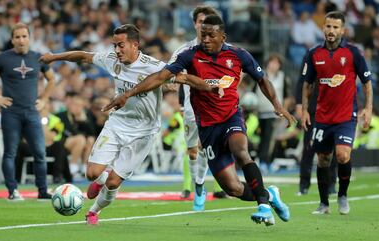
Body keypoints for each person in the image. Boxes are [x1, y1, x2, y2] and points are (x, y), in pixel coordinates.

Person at [105, 15, 294, 226]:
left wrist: (277, 105)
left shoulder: (238, 55)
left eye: (211, 35)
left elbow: (262, 79)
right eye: (203, 34)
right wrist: (128, 94)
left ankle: (264, 206)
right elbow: (160, 76)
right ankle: (269, 195)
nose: (205, 39)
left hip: (231, 116)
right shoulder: (190, 56)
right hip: (207, 128)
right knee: (232, 188)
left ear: (222, 36)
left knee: (241, 150)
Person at [39, 24, 217, 225]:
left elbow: (184, 78)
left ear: (135, 45)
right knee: (92, 173)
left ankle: (93, 211)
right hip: (117, 124)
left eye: (121, 45)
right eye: (115, 45)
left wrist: (210, 86)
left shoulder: (155, 67)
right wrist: (54, 57)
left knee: (114, 182)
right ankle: (102, 178)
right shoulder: (112, 61)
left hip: (144, 132)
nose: (116, 50)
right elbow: (82, 56)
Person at [301, 11, 373, 215]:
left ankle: (342, 195)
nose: (331, 31)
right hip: (323, 117)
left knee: (342, 155)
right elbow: (307, 84)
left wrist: (367, 108)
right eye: (328, 26)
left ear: (343, 30)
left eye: (335, 27)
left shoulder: (353, 53)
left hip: (345, 116)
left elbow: (367, 83)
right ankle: (324, 204)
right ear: (323, 28)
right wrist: (305, 110)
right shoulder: (314, 53)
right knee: (323, 159)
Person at [0, 22, 55, 200]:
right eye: (17, 37)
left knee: (40, 153)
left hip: (32, 112)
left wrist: (44, 99)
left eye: (24, 36)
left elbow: (51, 79)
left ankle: (42, 191)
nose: (21, 40)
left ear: (29, 38)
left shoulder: (38, 58)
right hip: (11, 113)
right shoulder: (3, 58)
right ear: (12, 39)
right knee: (10, 153)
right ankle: (12, 191)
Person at [169, 6, 226, 210]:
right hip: (191, 108)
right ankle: (197, 183)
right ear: (195, 24)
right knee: (193, 151)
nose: (204, 26)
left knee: (208, 148)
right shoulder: (184, 50)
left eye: (208, 23)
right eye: (201, 22)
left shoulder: (222, 48)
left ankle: (202, 187)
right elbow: (169, 73)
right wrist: (172, 83)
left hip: (216, 108)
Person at [295, 65, 337, 196]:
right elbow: (302, 80)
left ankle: (331, 184)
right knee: (309, 147)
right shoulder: (312, 54)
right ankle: (304, 185)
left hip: (333, 110)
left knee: (332, 148)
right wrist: (300, 104)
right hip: (314, 110)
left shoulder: (342, 54)